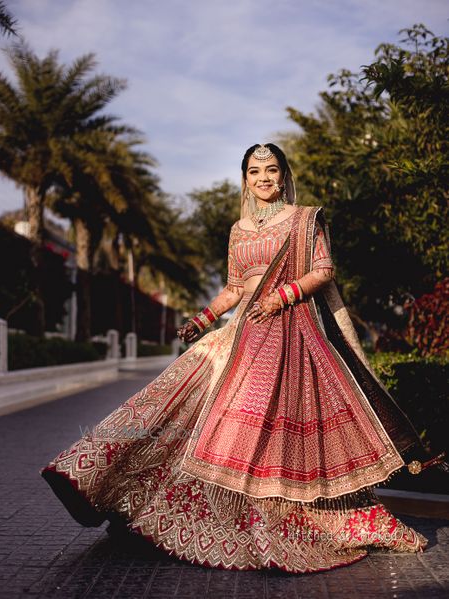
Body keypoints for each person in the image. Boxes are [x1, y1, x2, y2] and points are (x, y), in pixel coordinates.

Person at [40, 143, 447, 574]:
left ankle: (293, 517)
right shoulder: (239, 228)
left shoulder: (305, 220)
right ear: (246, 179)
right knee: (177, 399)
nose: (264, 178)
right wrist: (202, 319)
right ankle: (127, 495)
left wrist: (281, 297)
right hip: (242, 333)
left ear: (284, 174)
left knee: (260, 428)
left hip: (291, 331)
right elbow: (235, 289)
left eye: (272, 170)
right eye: (255, 172)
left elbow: (324, 271)